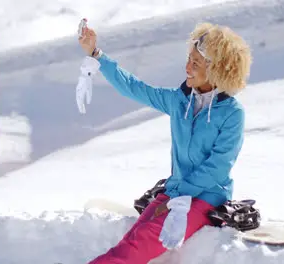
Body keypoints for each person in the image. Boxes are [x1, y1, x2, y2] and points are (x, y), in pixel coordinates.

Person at [77, 21, 252, 264]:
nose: (187, 67)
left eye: (196, 62)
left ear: (217, 70)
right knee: (132, 240)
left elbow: (218, 166)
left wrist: (179, 197)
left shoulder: (232, 113)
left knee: (137, 246)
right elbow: (134, 88)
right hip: (173, 192)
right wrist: (97, 55)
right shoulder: (178, 101)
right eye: (189, 59)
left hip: (205, 197)